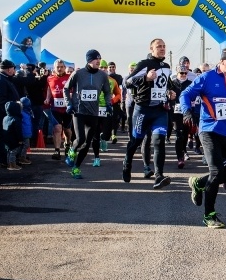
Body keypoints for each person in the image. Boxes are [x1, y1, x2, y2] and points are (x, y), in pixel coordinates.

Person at [180, 47, 226, 228]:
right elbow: (185, 94)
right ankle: (209, 215)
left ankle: (198, 183)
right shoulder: (207, 78)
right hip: (209, 130)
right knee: (217, 172)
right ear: (223, 62)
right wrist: (187, 111)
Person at [122, 39, 174, 189]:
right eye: (159, 47)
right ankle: (127, 162)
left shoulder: (166, 66)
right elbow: (127, 82)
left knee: (159, 141)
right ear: (151, 49)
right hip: (142, 110)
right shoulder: (144, 64)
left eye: (164, 46)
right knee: (136, 141)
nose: (162, 49)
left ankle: (159, 176)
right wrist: (145, 78)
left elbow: (166, 84)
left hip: (159, 111)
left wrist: (170, 92)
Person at [64, 50, 112, 179]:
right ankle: (72, 150)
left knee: (87, 142)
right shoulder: (78, 73)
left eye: (99, 58)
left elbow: (107, 91)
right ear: (89, 60)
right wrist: (68, 103)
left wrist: (108, 104)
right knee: (80, 139)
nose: (98, 61)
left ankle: (76, 168)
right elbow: (66, 88)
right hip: (78, 111)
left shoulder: (102, 75)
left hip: (93, 112)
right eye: (96, 59)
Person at [0, 60, 21, 168]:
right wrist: (12, 108)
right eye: (13, 68)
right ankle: (3, 160)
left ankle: (9, 159)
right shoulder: (0, 80)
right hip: (4, 115)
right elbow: (1, 100)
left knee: (9, 137)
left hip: (8, 114)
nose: (14, 70)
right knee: (4, 137)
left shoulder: (5, 79)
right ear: (9, 69)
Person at [45, 59, 73, 160]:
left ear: (65, 67)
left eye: (61, 67)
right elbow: (49, 88)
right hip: (55, 107)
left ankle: (68, 143)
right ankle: (57, 150)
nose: (60, 69)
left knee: (67, 130)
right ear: (54, 68)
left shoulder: (69, 77)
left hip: (67, 109)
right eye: (58, 67)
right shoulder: (50, 78)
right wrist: (48, 98)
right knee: (57, 128)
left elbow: (74, 90)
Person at [169, 64, 192, 168]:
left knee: (185, 134)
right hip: (176, 113)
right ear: (177, 73)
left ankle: (183, 151)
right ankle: (180, 158)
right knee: (179, 134)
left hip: (187, 112)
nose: (183, 75)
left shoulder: (191, 84)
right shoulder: (172, 84)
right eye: (181, 73)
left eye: (185, 73)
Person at [2, 100, 23, 171]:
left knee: (8, 151)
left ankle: (9, 163)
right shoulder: (16, 119)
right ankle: (12, 164)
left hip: (6, 138)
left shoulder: (5, 118)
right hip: (14, 139)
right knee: (13, 152)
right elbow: (18, 131)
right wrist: (20, 139)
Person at [18, 96, 34, 165]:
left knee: (23, 145)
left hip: (25, 132)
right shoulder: (25, 113)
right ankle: (22, 157)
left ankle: (21, 156)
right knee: (25, 145)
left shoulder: (23, 112)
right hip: (25, 132)